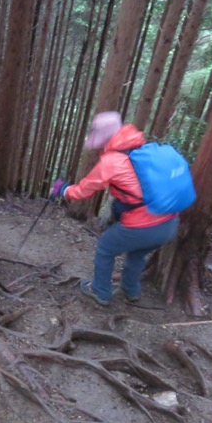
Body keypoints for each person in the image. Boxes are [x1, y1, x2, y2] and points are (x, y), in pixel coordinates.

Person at [50, 112, 180, 306]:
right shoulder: (143, 150)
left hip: (144, 224)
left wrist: (63, 190)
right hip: (170, 223)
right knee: (136, 254)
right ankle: (131, 290)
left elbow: (84, 191)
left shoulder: (112, 162)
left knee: (105, 247)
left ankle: (100, 291)